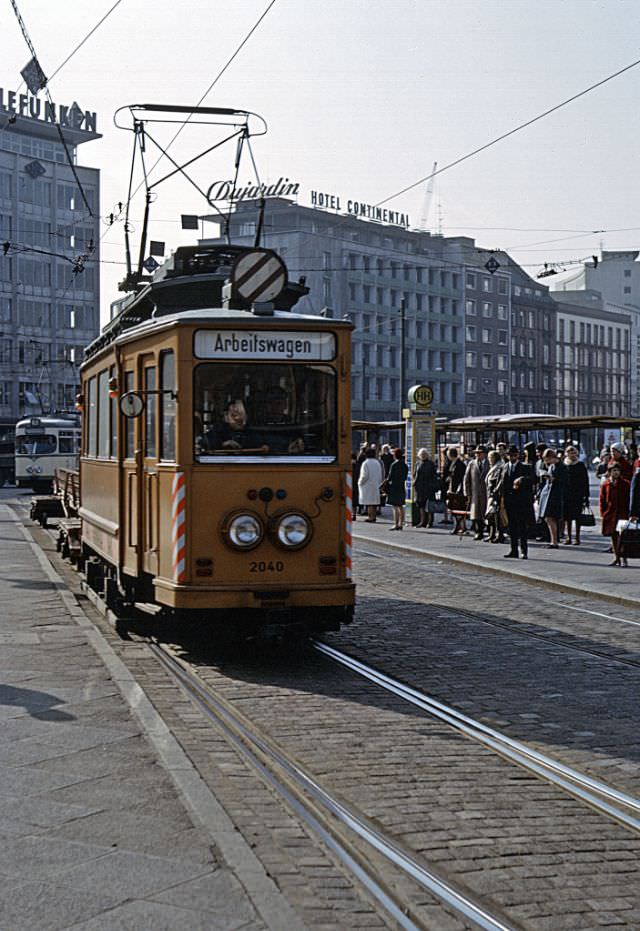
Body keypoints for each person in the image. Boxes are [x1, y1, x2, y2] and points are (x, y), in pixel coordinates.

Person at [502, 445, 534, 559]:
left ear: (518, 456)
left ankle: (524, 551)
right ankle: (513, 550)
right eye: (510, 455)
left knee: (522, 528)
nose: (512, 457)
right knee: (512, 528)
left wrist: (522, 479)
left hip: (521, 502)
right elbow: (502, 484)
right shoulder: (505, 467)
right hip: (509, 502)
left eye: (514, 455)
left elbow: (533, 479)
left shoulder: (525, 467)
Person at [600, 463, 630, 567]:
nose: (616, 472)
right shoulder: (606, 484)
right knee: (613, 537)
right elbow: (602, 499)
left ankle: (624, 558)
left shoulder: (625, 484)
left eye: (617, 470)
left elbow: (629, 499)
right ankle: (616, 557)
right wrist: (603, 513)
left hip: (622, 514)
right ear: (609, 472)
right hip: (611, 514)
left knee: (623, 537)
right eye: (613, 470)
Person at [537, 448, 567, 548]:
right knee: (548, 518)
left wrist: (553, 479)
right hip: (548, 493)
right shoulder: (551, 466)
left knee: (551, 517)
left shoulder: (562, 466)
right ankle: (553, 540)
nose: (546, 462)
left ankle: (554, 541)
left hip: (555, 495)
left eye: (547, 459)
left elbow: (565, 481)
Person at [562, 445, 590, 545]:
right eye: (570, 453)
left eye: (574, 453)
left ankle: (577, 537)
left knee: (578, 516)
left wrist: (586, 495)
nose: (572, 455)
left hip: (578, 494)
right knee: (567, 517)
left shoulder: (580, 465)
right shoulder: (564, 465)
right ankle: (568, 536)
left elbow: (585, 480)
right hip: (566, 494)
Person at [463, 445, 490, 540]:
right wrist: (467, 493)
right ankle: (479, 532)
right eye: (476, 453)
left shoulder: (489, 463)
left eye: (479, 453)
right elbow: (466, 479)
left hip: (486, 493)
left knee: (486, 513)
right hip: (475, 492)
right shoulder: (472, 463)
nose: (477, 454)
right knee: (476, 514)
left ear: (485, 454)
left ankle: (489, 532)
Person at [357, 446, 385, 523]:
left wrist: (360, 482)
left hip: (367, 485)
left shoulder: (365, 463)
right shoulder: (377, 462)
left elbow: (364, 476)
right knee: (374, 502)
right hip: (376, 484)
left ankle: (370, 517)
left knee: (369, 502)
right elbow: (380, 474)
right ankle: (374, 516)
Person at [413, 448, 440, 528]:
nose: (423, 456)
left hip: (428, 488)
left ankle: (429, 522)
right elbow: (415, 474)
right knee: (421, 505)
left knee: (429, 506)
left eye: (424, 454)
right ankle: (422, 521)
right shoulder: (418, 463)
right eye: (421, 454)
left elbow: (434, 475)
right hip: (420, 488)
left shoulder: (430, 464)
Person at [485, 450, 506, 544]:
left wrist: (494, 491)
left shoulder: (499, 466)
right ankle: (492, 533)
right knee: (491, 515)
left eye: (491, 458)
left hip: (496, 494)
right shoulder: (493, 466)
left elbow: (498, 480)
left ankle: (499, 534)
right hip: (491, 493)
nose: (489, 460)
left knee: (496, 515)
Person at [445, 447, 467, 535]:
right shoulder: (453, 463)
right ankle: (459, 526)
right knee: (453, 509)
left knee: (458, 508)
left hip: (457, 490)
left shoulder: (459, 464)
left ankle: (460, 527)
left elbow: (461, 478)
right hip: (452, 489)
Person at [387, 447, 409, 530]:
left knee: (395, 506)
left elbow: (390, 476)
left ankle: (396, 524)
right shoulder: (405, 465)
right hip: (401, 486)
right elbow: (405, 476)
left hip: (394, 486)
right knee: (400, 506)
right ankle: (401, 523)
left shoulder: (394, 464)